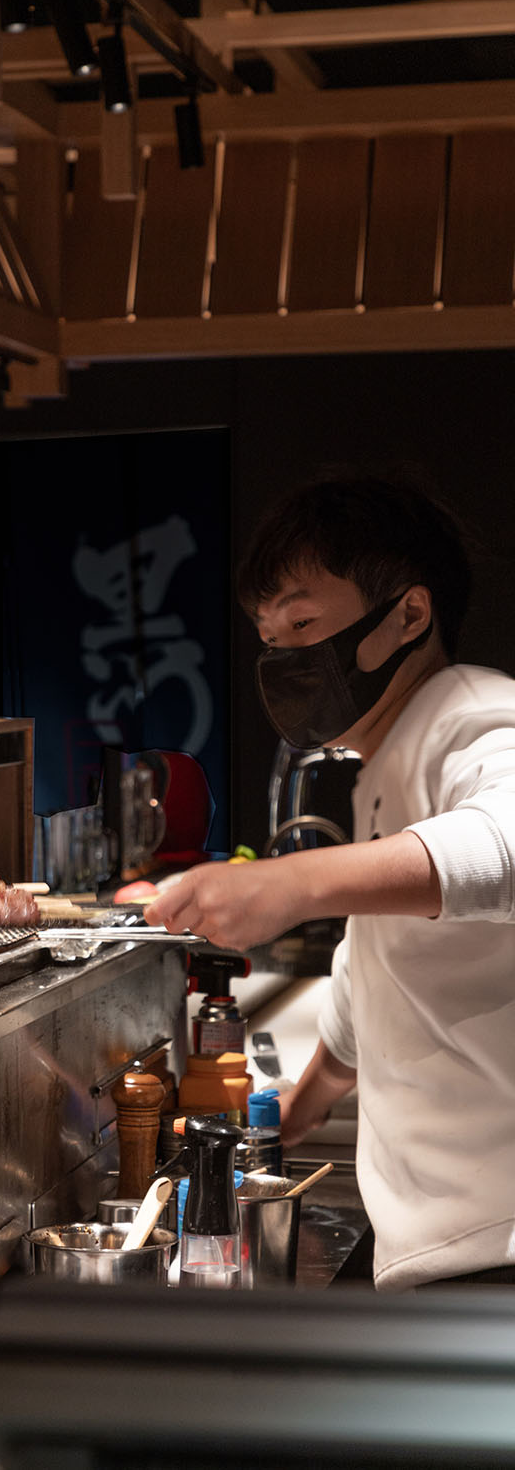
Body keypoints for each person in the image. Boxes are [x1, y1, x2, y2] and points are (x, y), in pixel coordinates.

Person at [146, 472, 515, 1291]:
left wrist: (296, 883)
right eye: (269, 636)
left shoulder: (473, 711)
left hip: (495, 1249)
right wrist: (299, 1106)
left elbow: (506, 844)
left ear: (409, 614)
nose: (283, 657)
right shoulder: (381, 767)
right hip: (446, 1246)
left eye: (304, 622)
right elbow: (376, 972)